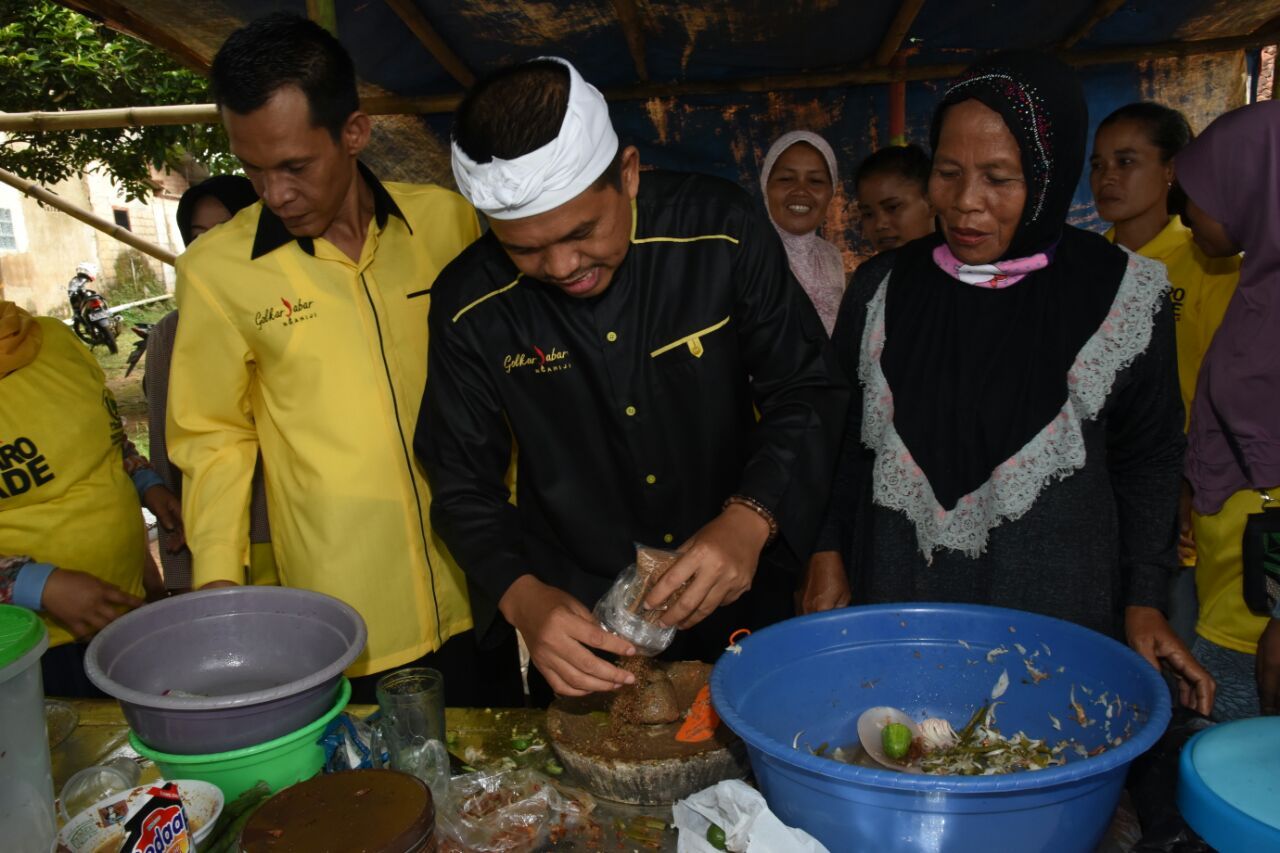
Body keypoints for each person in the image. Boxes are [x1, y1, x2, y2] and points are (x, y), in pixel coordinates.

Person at [416, 58, 848, 699]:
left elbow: (805, 387)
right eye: (524, 249)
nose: (562, 266)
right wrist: (522, 596)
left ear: (629, 173)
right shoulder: (469, 303)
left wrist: (752, 517)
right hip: (581, 614)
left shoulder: (719, 231)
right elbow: (460, 481)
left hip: (738, 578)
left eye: (582, 231)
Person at [812, 51, 1214, 715]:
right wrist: (827, 549)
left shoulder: (1122, 294)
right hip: (903, 583)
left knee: (1037, 752)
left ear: (1049, 181)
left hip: (1050, 596)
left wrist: (1145, 595)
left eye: (999, 177)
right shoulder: (882, 289)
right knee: (902, 748)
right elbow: (841, 442)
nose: (966, 202)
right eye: (947, 172)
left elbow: (1148, 460)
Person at [165, 13, 521, 706]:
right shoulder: (218, 269)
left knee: (496, 782)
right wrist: (217, 578)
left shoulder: (446, 224)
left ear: (354, 132)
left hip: (475, 577)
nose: (276, 194)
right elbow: (213, 434)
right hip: (346, 609)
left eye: (296, 166)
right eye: (253, 169)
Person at [1090, 102, 1241, 645]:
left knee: (1164, 625)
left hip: (1181, 486)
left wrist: (1189, 477)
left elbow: (1222, 388)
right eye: (1098, 163)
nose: (1107, 177)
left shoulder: (1206, 259)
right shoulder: (1084, 264)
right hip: (1098, 482)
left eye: (1126, 161)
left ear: (1172, 169)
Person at [0, 299, 180, 696]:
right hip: (32, 649)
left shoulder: (52, 339)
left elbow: (107, 435)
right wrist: (34, 584)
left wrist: (146, 482)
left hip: (128, 608)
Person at [1176, 100, 1280, 719]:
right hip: (1233, 562)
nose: (1187, 212)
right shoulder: (1259, 288)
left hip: (1264, 592)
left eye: (1197, 193)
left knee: (1223, 735)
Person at [147, 175, 268, 593]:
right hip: (216, 538)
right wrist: (184, 532)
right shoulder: (172, 333)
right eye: (199, 237)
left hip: (296, 528)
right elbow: (170, 444)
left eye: (229, 232)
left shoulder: (295, 312)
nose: (212, 248)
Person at [759, 131, 846, 333]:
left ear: (830, 192)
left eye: (815, 181)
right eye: (786, 178)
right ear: (766, 186)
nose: (800, 190)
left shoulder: (832, 256)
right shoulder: (749, 256)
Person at [854, 143, 936, 254]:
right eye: (868, 214)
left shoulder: (962, 267)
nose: (880, 225)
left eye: (892, 207)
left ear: (931, 203)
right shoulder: (872, 270)